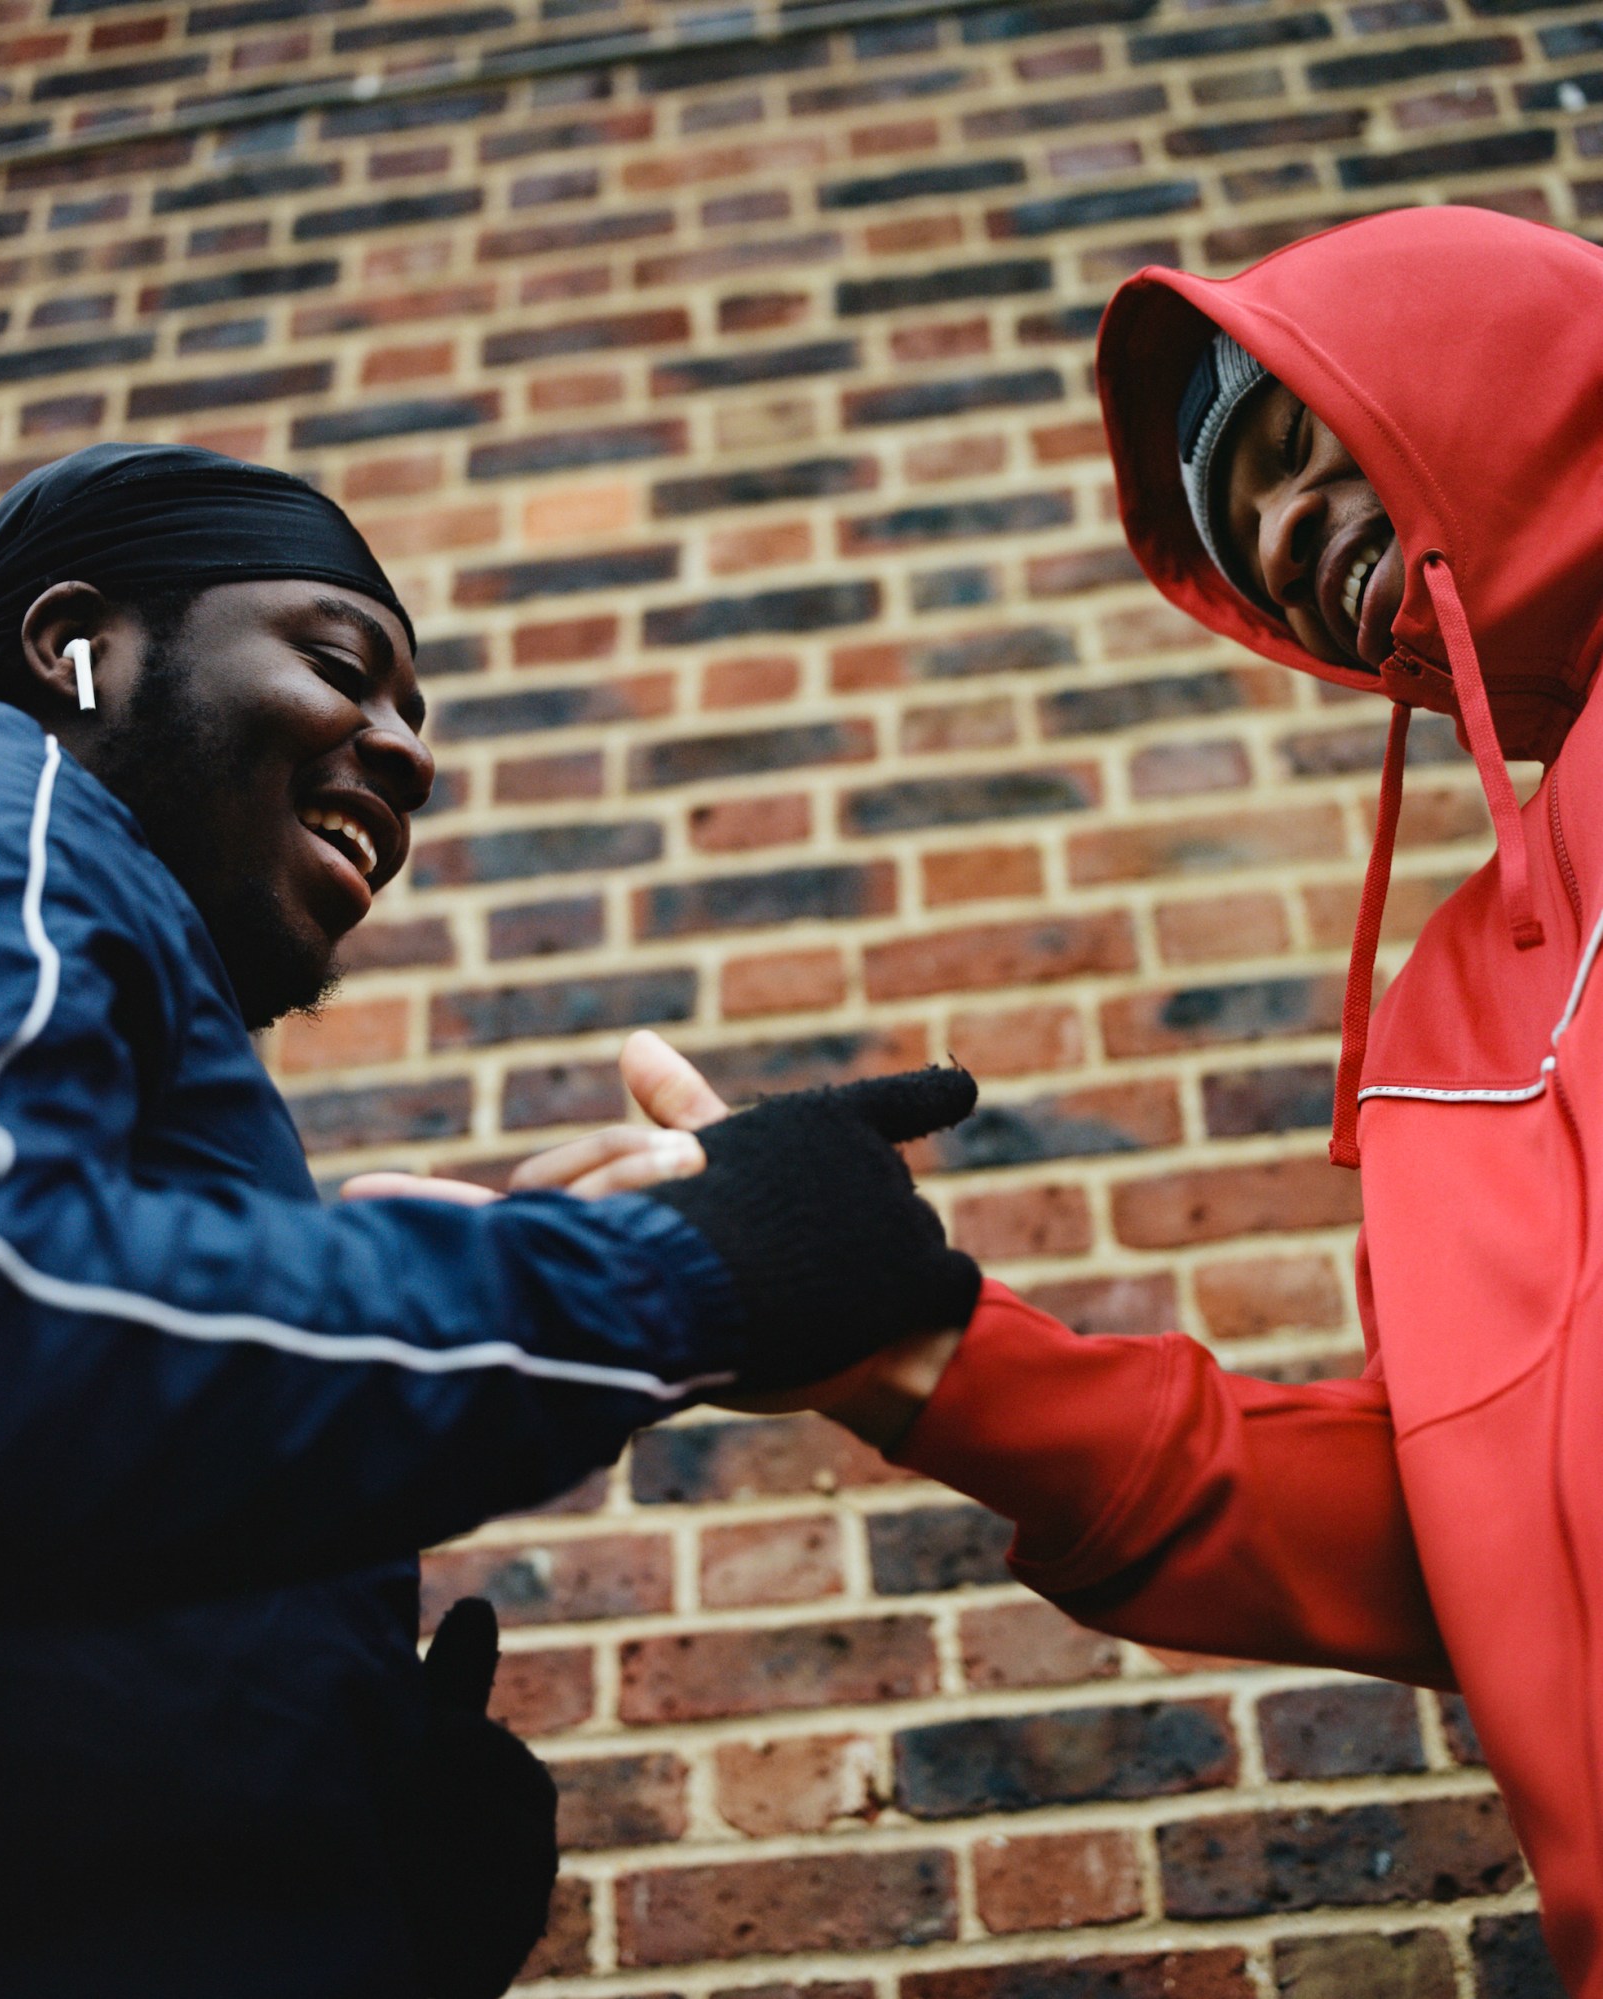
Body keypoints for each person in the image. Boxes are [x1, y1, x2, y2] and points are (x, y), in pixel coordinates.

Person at [544, 208, 1603, 1995]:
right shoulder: (1448, 1008)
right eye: (1241, 523)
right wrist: (907, 1348)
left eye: (1295, 445)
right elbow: (1480, 1550)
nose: (1271, 535)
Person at [0, 441, 983, 1999]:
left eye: (412, 712)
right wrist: (668, 1273)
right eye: (336, 665)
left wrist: (344, 1814)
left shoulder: (127, 997)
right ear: (75, 649)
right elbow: (7, 1310)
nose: (408, 754)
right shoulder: (8, 798)